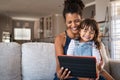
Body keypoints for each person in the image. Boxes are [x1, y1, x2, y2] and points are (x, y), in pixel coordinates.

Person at [54, 0, 85, 80]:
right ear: (65, 22)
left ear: (82, 19)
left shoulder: (86, 36)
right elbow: (59, 64)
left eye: (77, 21)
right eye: (69, 22)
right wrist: (59, 73)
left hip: (84, 74)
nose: (73, 25)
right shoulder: (60, 38)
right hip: (67, 75)